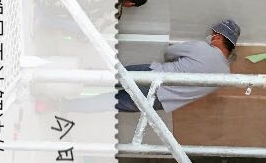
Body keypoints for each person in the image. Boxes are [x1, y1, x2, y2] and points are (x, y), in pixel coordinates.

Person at [56, 19, 241, 114]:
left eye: (213, 34)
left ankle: (58, 79)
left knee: (106, 78)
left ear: (218, 37)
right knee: (107, 102)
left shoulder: (202, 48)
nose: (210, 36)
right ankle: (61, 105)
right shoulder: (224, 76)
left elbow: (169, 53)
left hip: (153, 77)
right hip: (157, 102)